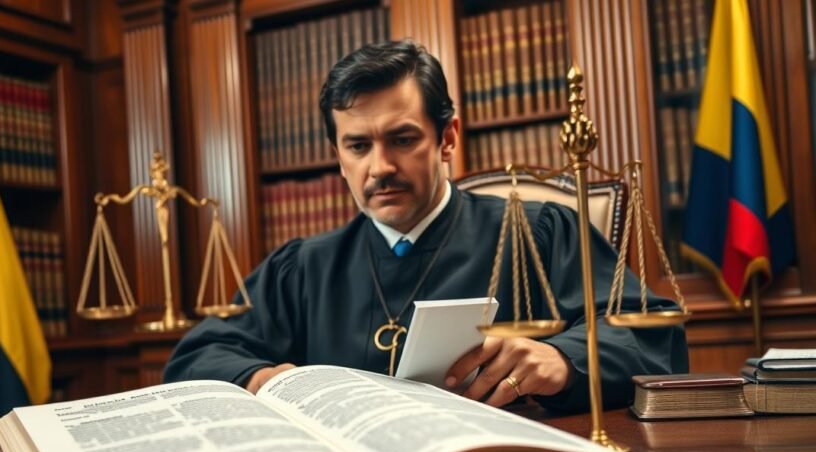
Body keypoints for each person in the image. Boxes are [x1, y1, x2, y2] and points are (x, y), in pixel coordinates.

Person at [164, 40, 687, 413]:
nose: (380, 167)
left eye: (402, 139)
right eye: (358, 146)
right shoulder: (302, 268)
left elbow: (653, 332)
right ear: (338, 156)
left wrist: (563, 358)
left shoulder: (541, 230)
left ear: (447, 138)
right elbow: (197, 356)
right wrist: (263, 378)